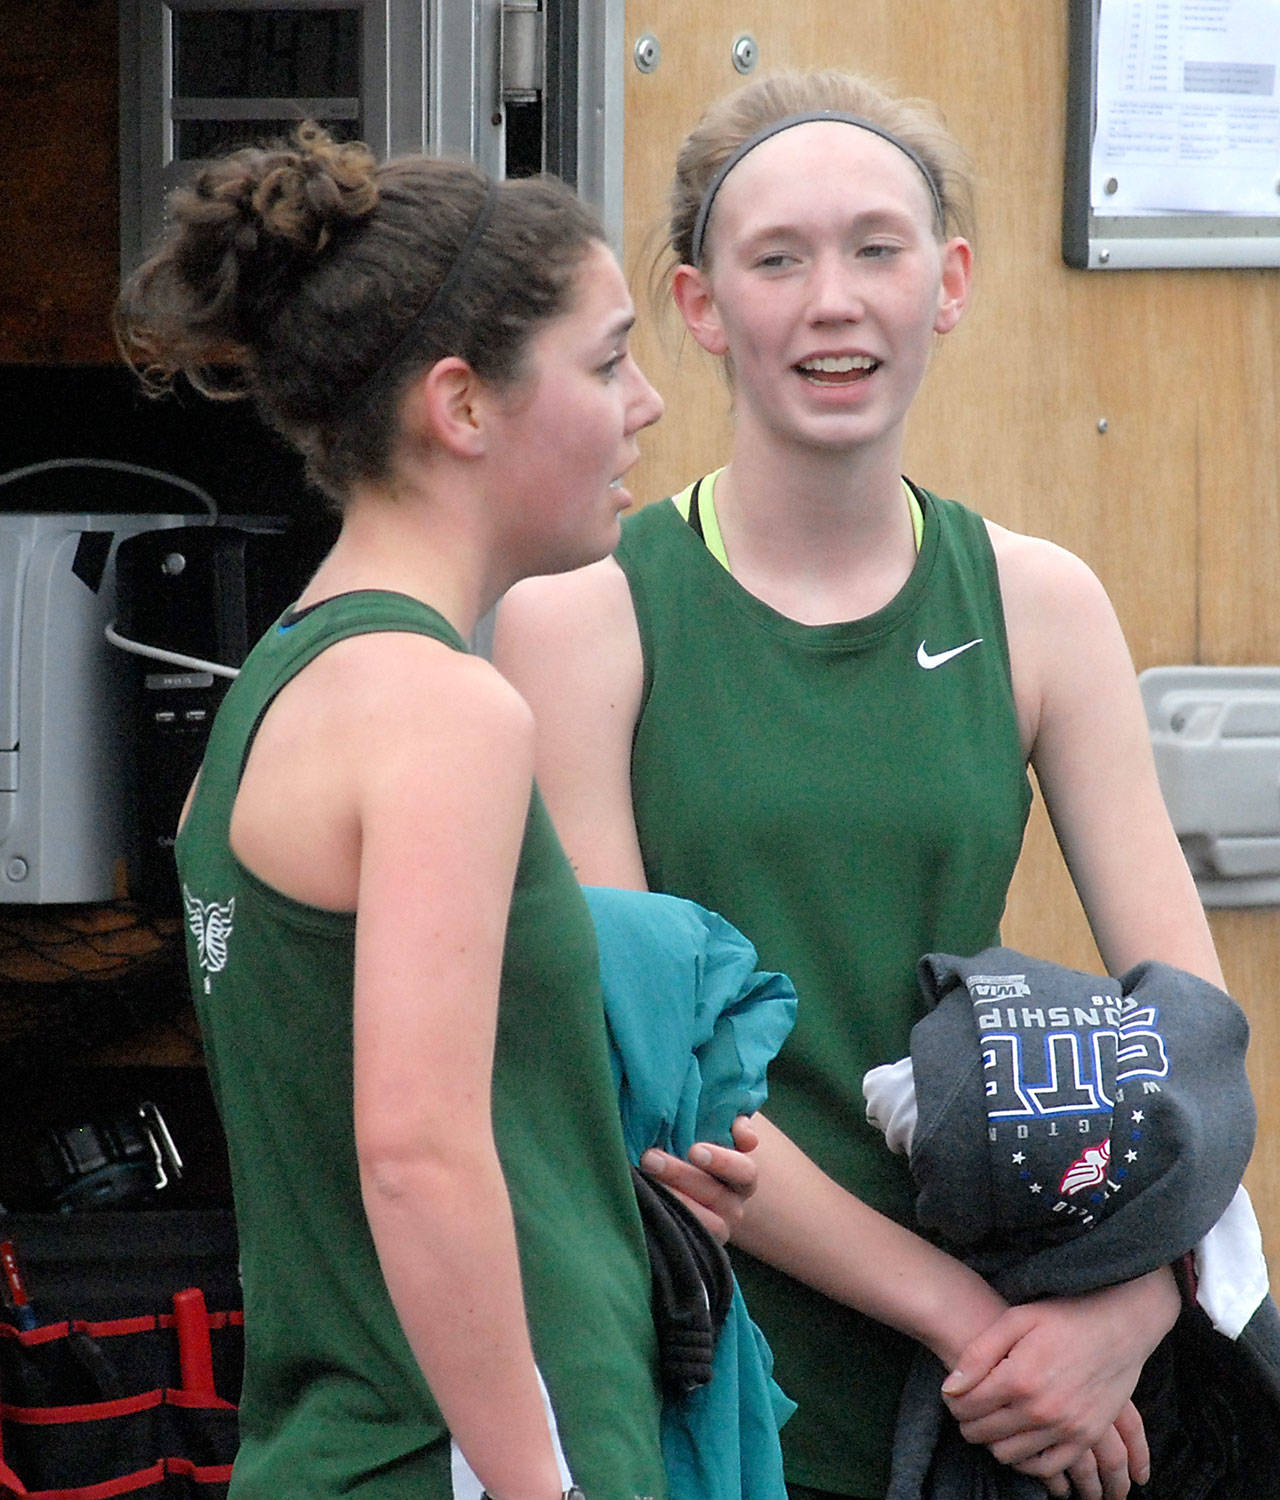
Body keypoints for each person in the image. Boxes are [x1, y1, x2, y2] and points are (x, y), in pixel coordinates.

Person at [493, 68, 1225, 1500]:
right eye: (778, 258)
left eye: (877, 248)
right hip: (706, 1381)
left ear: (946, 282)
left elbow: (1193, 1040)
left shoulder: (1042, 603)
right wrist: (975, 1326)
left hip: (1011, 1405)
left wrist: (1125, 1312)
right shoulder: (581, 617)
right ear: (704, 307)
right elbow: (655, 1089)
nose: (835, 301)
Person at [114, 123, 762, 1500]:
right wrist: (538, 1482)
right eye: (605, 361)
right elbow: (414, 1155)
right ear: (461, 407)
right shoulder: (442, 711)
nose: (649, 402)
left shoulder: (286, 677)